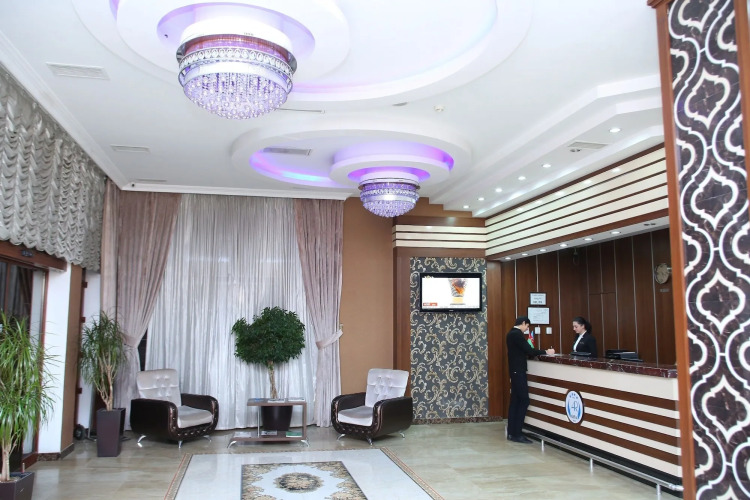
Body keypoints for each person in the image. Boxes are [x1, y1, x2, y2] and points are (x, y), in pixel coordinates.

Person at [506, 316, 555, 443]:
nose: (527, 329)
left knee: (515, 401)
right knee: (524, 400)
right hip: (518, 371)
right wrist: (546, 351)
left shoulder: (511, 333)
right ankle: (517, 433)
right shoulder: (516, 334)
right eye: (527, 326)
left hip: (515, 371)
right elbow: (530, 350)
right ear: (523, 323)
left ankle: (512, 432)